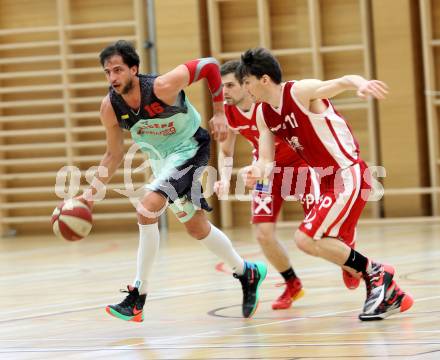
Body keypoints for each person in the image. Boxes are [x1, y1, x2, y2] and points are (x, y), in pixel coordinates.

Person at [78, 40, 267, 322]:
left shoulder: (161, 87)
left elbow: (209, 66)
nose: (113, 78)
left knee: (146, 209)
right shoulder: (110, 107)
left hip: (190, 148)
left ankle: (137, 296)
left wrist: (218, 113)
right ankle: (246, 272)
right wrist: (88, 196)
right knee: (196, 227)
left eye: (118, 70)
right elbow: (113, 155)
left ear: (134, 69)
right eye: (108, 72)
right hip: (162, 161)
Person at [237, 47, 413, 320]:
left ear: (263, 79)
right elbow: (266, 160)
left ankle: (377, 272)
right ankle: (392, 295)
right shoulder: (263, 113)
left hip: (347, 173)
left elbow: (341, 81)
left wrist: (362, 84)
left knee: (306, 238)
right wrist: (254, 170)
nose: (244, 88)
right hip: (326, 180)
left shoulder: (299, 92)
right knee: (320, 243)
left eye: (246, 81)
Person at [214, 60, 317, 310]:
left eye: (230, 85)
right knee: (263, 234)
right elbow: (225, 150)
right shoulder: (227, 114)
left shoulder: (268, 103)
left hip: (300, 164)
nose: (224, 92)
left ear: (246, 84)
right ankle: (292, 284)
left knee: (319, 231)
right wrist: (225, 179)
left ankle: (353, 263)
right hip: (265, 172)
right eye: (221, 87)